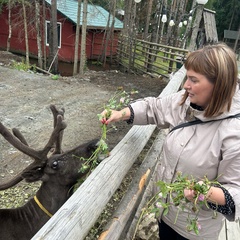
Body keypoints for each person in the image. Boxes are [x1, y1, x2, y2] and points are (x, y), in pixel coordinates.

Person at [99, 43, 240, 240]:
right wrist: (121, 113)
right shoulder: (185, 103)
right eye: (186, 78)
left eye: (193, 80)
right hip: (165, 215)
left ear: (218, 85)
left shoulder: (234, 132)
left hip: (194, 233)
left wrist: (208, 193)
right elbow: (153, 108)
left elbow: (236, 191)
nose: (185, 85)